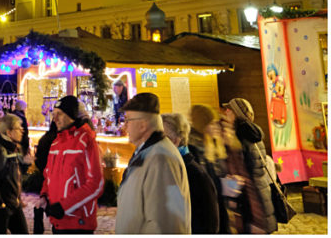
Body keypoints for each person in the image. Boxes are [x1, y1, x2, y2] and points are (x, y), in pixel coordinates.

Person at [114, 93, 190, 234]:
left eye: (128, 120)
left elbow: (165, 223)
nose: (125, 126)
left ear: (142, 125)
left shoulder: (161, 159)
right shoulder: (148, 152)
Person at [37, 95, 104, 234]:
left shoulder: (86, 140)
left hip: (79, 222)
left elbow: (96, 184)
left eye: (60, 114)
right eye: (53, 114)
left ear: (71, 115)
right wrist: (44, 196)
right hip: (58, 220)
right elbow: (48, 175)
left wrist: (64, 206)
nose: (55, 119)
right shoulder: (56, 142)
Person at [220, 97, 276, 234]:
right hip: (261, 191)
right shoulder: (254, 134)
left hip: (250, 199)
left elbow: (241, 172)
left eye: (229, 110)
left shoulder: (238, 137)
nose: (226, 112)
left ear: (236, 113)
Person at [162, 112, 219, 234]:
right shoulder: (166, 168)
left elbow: (209, 225)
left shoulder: (195, 175)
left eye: (161, 138)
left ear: (175, 141)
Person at [0, 113, 29, 234]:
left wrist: (25, 164)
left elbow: (13, 175)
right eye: (18, 128)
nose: (22, 130)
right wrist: (0, 204)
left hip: (14, 204)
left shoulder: (14, 149)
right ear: (8, 133)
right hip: (2, 208)